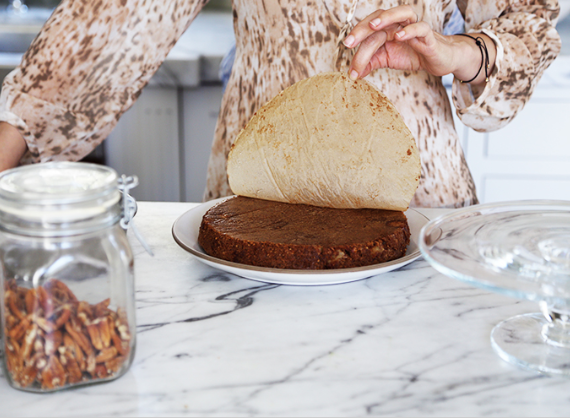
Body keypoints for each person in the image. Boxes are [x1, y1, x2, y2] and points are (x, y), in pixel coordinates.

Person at [0, 0, 561, 208]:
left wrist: (460, 49)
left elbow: (527, 20)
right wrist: (13, 132)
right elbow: (112, 22)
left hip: (416, 187)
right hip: (262, 178)